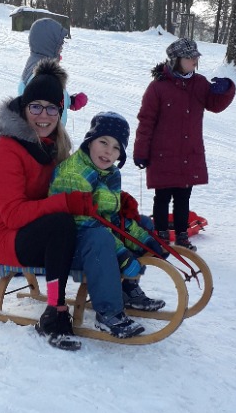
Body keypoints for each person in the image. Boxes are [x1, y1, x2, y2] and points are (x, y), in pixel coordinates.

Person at [0, 58, 95, 351]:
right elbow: (12, 215)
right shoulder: (7, 149)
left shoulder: (52, 145)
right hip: (4, 236)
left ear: (60, 111)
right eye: (36, 107)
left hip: (34, 228)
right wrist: (64, 203)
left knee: (90, 224)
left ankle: (117, 288)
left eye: (51, 108)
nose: (43, 115)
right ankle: (54, 312)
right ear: (24, 108)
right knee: (61, 224)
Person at [49, 112, 169, 339]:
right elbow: (84, 224)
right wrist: (122, 254)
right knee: (101, 239)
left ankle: (127, 288)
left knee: (143, 223)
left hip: (95, 235)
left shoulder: (110, 173)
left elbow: (114, 219)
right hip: (67, 246)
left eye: (116, 148)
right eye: (103, 142)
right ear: (89, 141)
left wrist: (145, 239)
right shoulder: (74, 174)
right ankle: (108, 313)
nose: (108, 152)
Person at [133, 37, 236, 249]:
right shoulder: (158, 87)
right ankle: (161, 236)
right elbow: (146, 121)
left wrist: (226, 89)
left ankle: (182, 236)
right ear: (176, 60)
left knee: (183, 197)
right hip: (162, 155)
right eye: (190, 58)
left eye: (196, 57)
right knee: (162, 197)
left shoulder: (199, 84)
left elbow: (215, 105)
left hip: (189, 154)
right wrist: (141, 151)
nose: (194, 61)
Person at [18, 17, 88, 125]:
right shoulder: (43, 76)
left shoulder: (38, 64)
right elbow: (40, 106)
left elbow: (52, 95)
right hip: (45, 131)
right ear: (49, 44)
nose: (62, 47)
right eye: (60, 43)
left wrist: (70, 101)